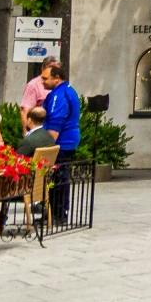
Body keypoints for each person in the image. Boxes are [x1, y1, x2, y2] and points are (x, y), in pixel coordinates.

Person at [41, 62, 82, 222]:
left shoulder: (58, 95)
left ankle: (57, 214)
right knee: (61, 177)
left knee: (57, 179)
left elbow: (56, 121)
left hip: (61, 142)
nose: (42, 82)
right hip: (70, 140)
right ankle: (57, 212)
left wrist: (48, 146)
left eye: (45, 78)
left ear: (56, 78)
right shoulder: (69, 89)